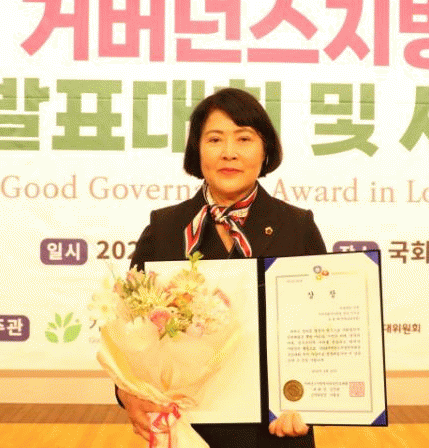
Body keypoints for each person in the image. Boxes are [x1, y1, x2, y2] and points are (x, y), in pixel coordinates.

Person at [116, 87, 326, 447]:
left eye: (244, 138)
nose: (229, 152)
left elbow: (322, 327)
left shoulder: (297, 226)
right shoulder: (164, 228)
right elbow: (129, 328)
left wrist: (314, 401)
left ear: (265, 150)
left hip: (276, 429)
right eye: (215, 139)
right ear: (197, 150)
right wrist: (127, 391)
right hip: (186, 429)